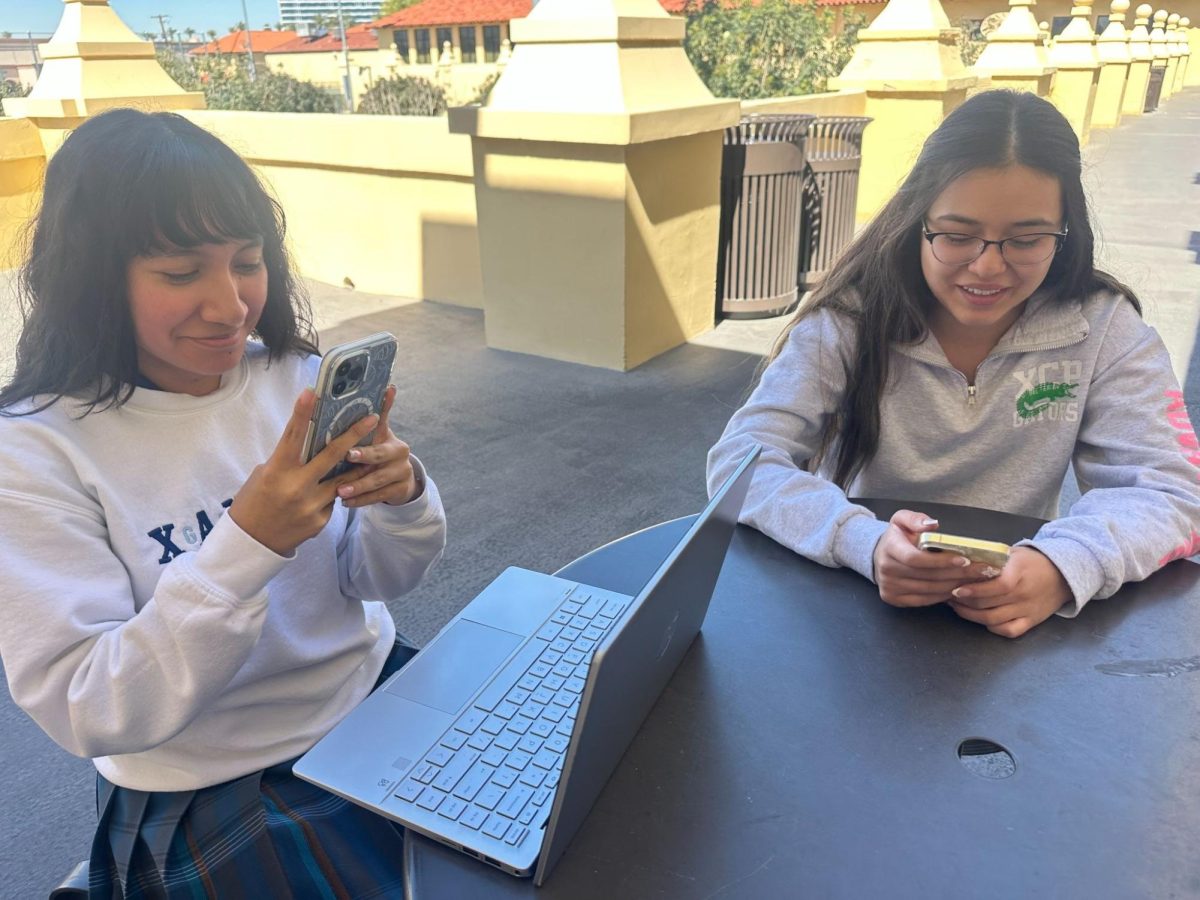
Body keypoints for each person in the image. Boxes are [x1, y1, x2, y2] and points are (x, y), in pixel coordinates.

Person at [0, 108, 447, 897]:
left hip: (373, 692)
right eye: (181, 273)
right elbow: (87, 703)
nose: (232, 305)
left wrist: (401, 499)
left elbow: (378, 580)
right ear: (92, 277)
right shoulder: (35, 450)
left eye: (247, 261)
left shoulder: (292, 375)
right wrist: (248, 543)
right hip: (218, 780)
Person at [706, 90, 1200, 639]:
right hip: (849, 611)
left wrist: (1066, 564)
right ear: (917, 219)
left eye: (1027, 239)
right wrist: (861, 540)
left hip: (1020, 624)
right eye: (958, 235)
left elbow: (1174, 493)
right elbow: (741, 461)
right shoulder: (850, 318)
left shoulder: (1105, 328)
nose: (988, 266)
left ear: (1066, 232)